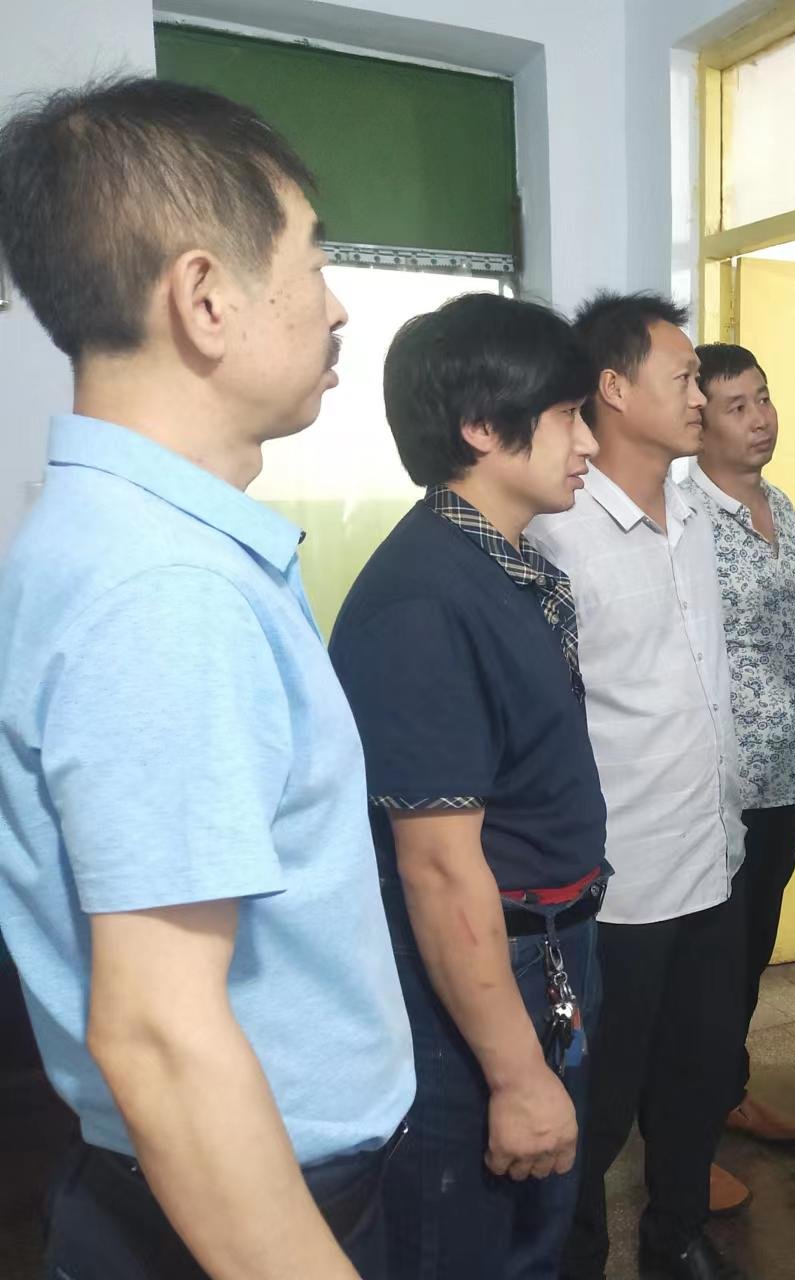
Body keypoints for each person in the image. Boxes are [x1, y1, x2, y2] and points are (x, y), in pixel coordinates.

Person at [0, 77, 414, 1279]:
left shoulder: (115, 536)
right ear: (205, 297)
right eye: (313, 262)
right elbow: (162, 1034)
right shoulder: (163, 589)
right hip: (237, 1209)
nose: (336, 305)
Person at [327, 293, 607, 1279]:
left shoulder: (502, 565)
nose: (588, 440)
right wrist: (516, 1072)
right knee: (473, 1247)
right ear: (484, 427)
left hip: (547, 950)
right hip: (482, 978)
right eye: (568, 415)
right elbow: (439, 868)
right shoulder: (423, 599)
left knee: (535, 1233)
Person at [529, 293, 749, 1280]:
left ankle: (677, 1235)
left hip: (711, 853)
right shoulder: (557, 531)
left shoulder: (696, 511)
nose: (700, 397)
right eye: (685, 378)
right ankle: (574, 1258)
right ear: (613, 389)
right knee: (599, 1100)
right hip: (616, 885)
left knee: (697, 1077)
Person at [685, 344, 795, 1149]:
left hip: (787, 769)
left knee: (753, 950)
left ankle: (725, 1093)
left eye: (763, 398)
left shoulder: (782, 506)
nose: (761, 418)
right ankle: (685, 1134)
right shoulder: (685, 518)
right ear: (698, 422)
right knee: (709, 963)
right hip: (720, 782)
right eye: (737, 406)